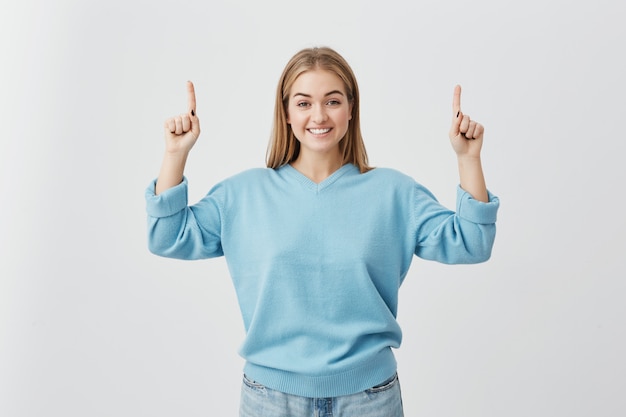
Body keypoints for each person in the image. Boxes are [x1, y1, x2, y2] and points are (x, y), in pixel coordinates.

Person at [145, 46, 499, 417]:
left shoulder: (394, 192)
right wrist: (175, 154)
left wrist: (468, 159)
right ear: (286, 113)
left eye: (332, 101)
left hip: (369, 399)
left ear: (350, 109)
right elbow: (167, 236)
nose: (318, 115)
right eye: (303, 103)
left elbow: (472, 243)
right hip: (270, 399)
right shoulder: (243, 194)